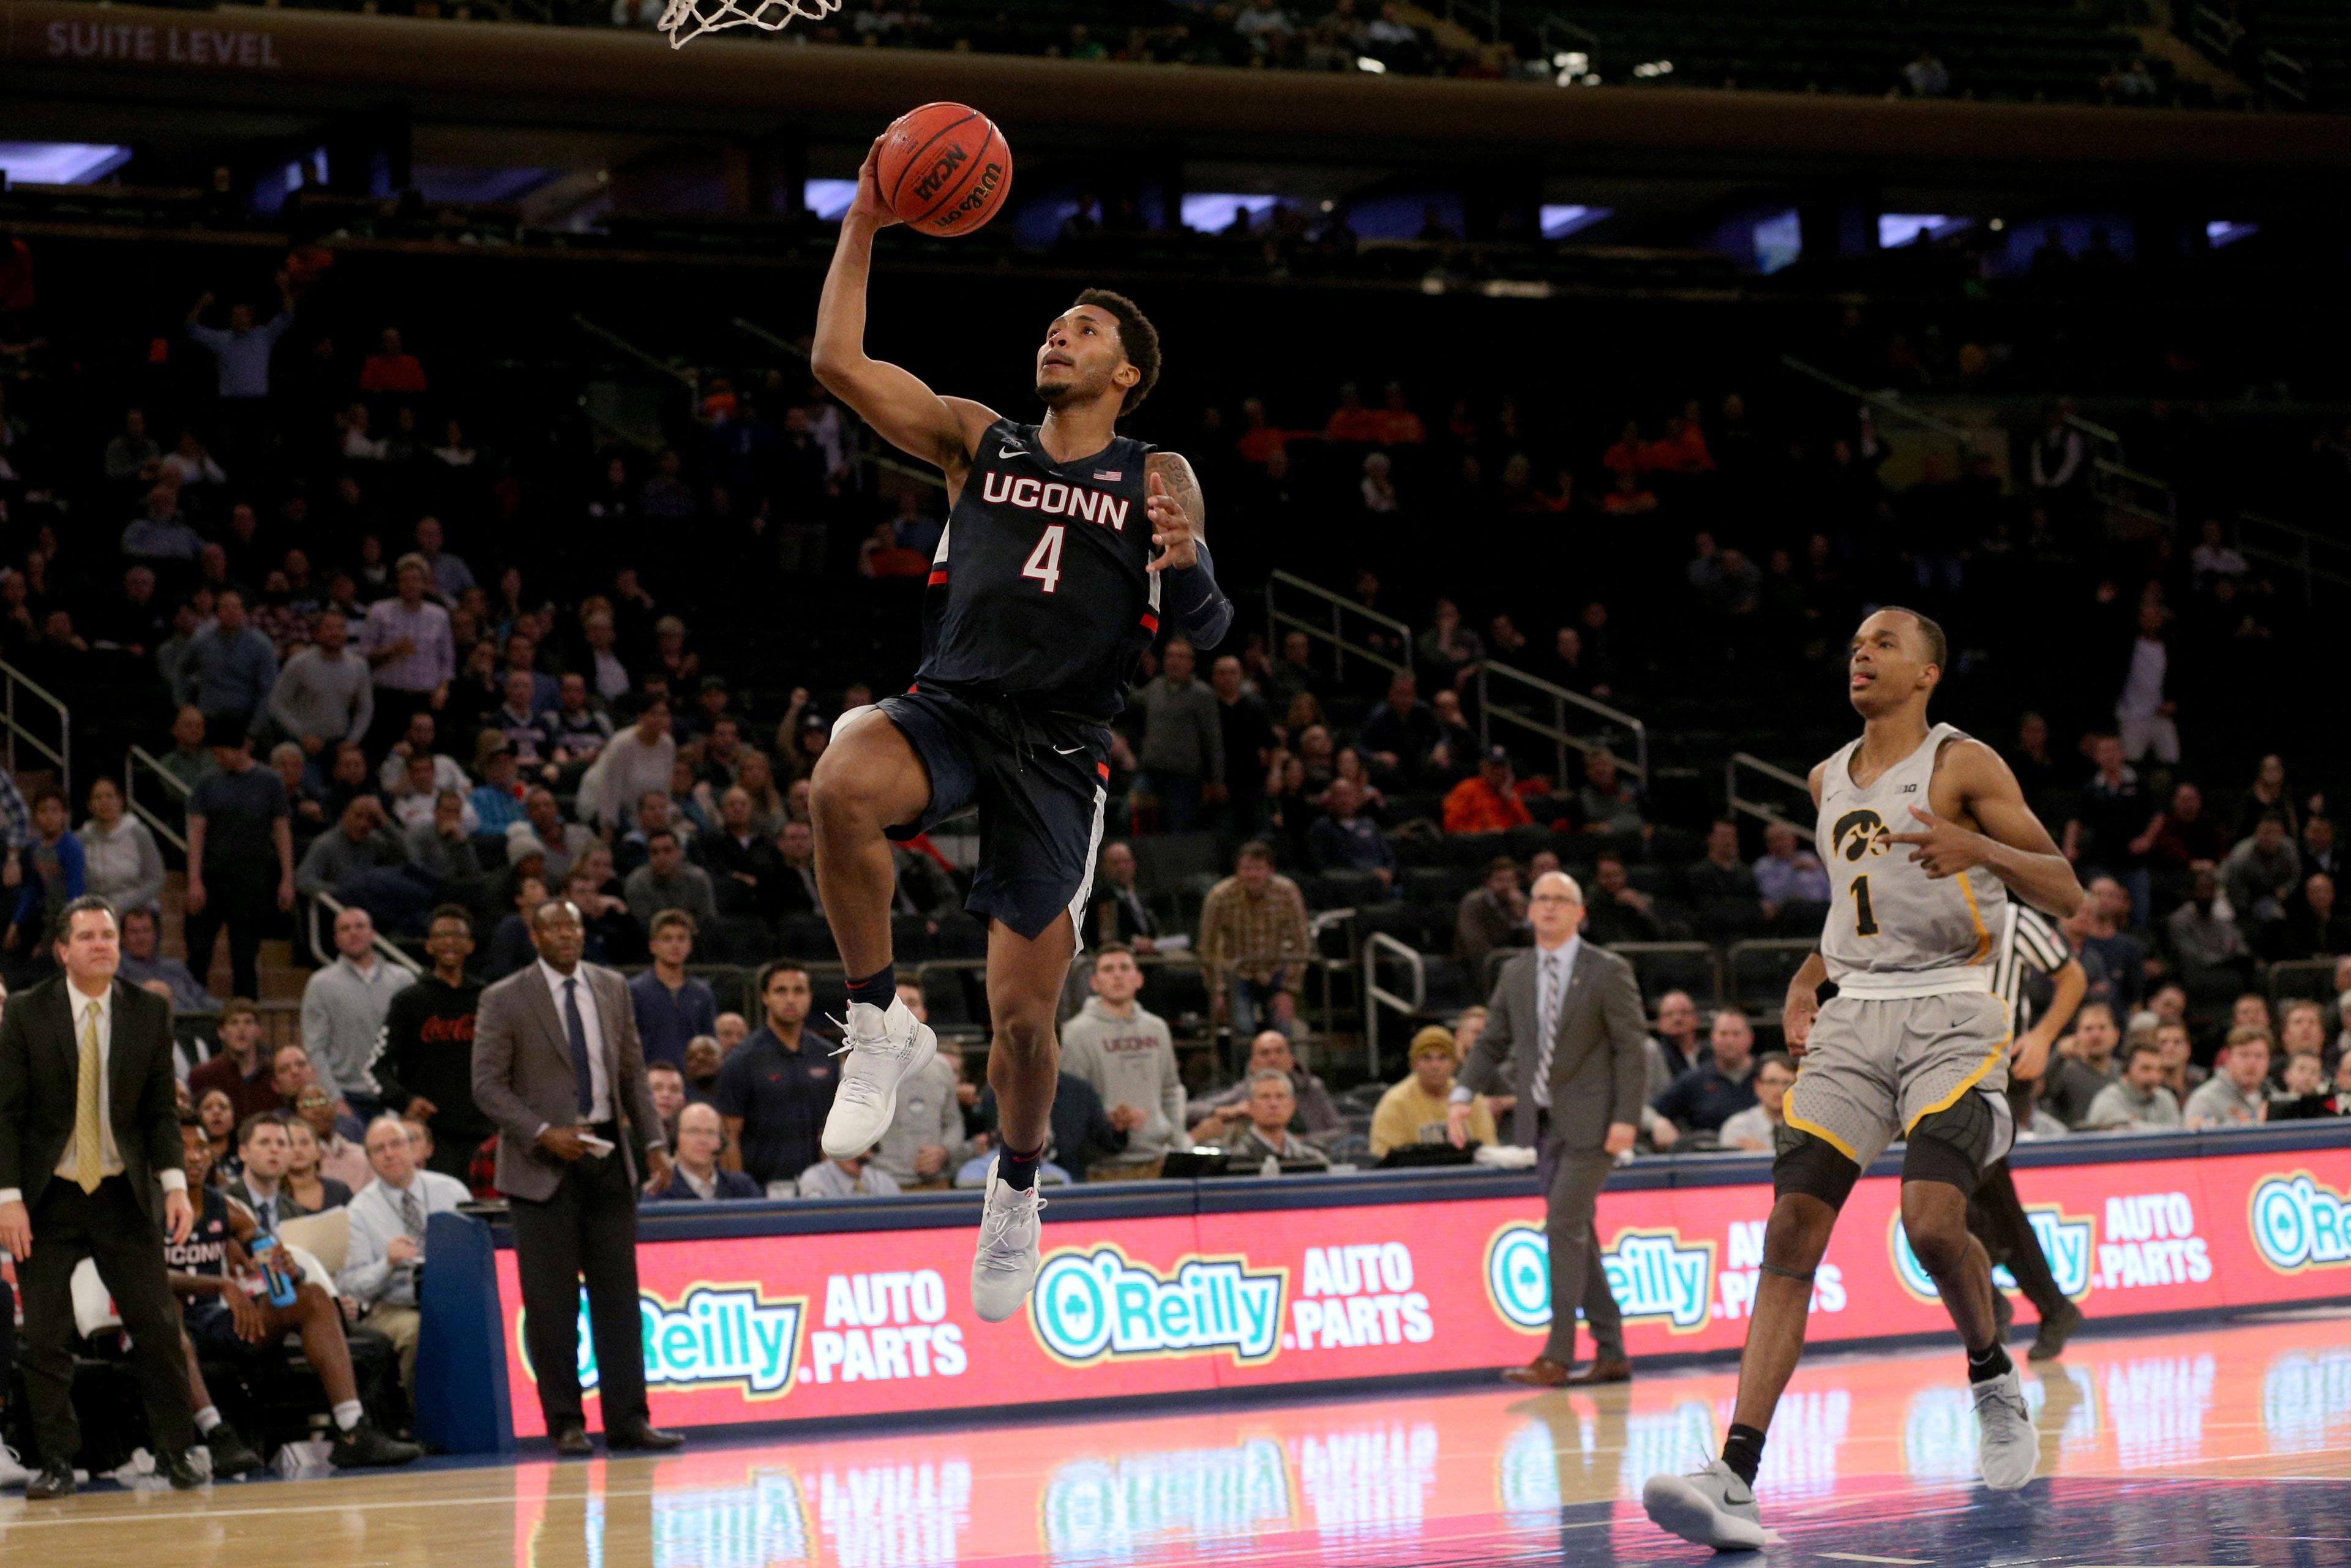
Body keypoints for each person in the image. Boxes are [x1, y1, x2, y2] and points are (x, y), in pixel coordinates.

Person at [810, 151, 1232, 1326]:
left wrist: (1186, 562)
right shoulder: (974, 439)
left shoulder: (1157, 471)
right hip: (952, 702)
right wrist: (863, 219)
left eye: (1085, 330)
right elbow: (836, 363)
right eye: (1055, 324)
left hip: (1057, 748)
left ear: (1125, 372)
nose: (1059, 337)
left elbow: (1206, 623)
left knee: (1025, 1030)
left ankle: (1017, 1181)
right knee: (840, 780)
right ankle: (879, 1020)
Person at [1643, 608, 2082, 1548]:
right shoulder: (1825, 777)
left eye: (1883, 644)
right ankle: (1735, 1473)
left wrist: (1983, 851)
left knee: (1930, 1223)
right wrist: (1811, 972)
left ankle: (1991, 1371)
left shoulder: (1965, 764)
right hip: (1855, 1015)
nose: (1863, 655)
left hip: (1952, 1009)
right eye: (1854, 645)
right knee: (1792, 1224)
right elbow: (1856, 914)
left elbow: (2067, 890)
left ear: (1927, 673)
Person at [0, 896, 204, 1498]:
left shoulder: (147, 1010)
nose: (101, 945)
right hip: (46, 1197)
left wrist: (175, 1185)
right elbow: (6, 1114)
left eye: (109, 935)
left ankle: (175, 1451)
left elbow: (161, 1111)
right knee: (44, 1336)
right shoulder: (27, 1013)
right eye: (87, 935)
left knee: (159, 1329)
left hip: (122, 1192)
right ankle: (57, 1461)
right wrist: (8, 1196)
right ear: (63, 949)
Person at [470, 899, 680, 1456]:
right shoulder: (504, 997)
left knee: (620, 1299)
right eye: (556, 927)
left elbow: (633, 1072)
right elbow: (488, 1087)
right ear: (535, 936)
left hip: (608, 1154)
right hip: (541, 1166)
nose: (568, 935)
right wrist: (542, 1131)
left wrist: (655, 1142)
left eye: (575, 926)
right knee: (552, 1305)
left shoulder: (612, 986)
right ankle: (565, 1421)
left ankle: (629, 1420)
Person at [1451, 870, 1644, 1389]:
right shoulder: (1515, 972)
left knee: (1562, 1225)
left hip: (1596, 1124)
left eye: (1561, 899)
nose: (1550, 907)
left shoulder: (1607, 970)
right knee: (1578, 1235)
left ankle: (1557, 1354)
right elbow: (1491, 1041)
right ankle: (1612, 1351)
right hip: (1541, 1123)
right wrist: (1461, 1095)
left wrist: (1627, 1117)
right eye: (1541, 899)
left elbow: (1631, 1048)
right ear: (1529, 910)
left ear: (1580, 912)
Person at [165, 1111, 420, 1474]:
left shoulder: (229, 1209)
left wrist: (286, 1268)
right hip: (162, 1330)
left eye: (202, 1147)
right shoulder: (146, 1206)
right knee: (163, 1310)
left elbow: (268, 1257)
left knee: (312, 1296)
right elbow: (146, 1276)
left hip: (218, 1320)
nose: (194, 1156)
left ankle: (352, 1430)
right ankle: (216, 1435)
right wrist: (220, 1284)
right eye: (183, 1147)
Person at [1966, 899, 2087, 1362]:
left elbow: (2072, 976)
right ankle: (2053, 1306)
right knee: (1994, 1202)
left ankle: (1989, 1289)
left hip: (2000, 1074)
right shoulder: (1927, 912)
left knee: (1951, 1190)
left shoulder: (2013, 919)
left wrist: (2042, 1036)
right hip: (1943, 1077)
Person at [336, 1113, 472, 1390]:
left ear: (412, 1148)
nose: (389, 1154)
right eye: (378, 1150)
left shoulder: (452, 1191)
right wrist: (386, 1263)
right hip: (393, 1307)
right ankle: (420, 1419)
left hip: (454, 1296)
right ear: (370, 1160)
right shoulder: (358, 1212)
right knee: (418, 1331)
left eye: (396, 1144)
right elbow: (350, 1286)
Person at [370, 906, 487, 1181]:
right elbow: (375, 1067)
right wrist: (405, 1101)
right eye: (442, 935)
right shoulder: (408, 1001)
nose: (449, 942)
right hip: (430, 1139)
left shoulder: (488, 999)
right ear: (429, 946)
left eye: (457, 936)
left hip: (484, 1134)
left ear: (470, 946)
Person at [184, 718, 296, 1001]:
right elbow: (196, 832)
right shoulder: (207, 782)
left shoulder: (270, 781)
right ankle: (192, 1010)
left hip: (251, 879)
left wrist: (287, 878)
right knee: (199, 949)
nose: (218, 758)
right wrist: (195, 880)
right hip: (212, 875)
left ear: (240, 748)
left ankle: (247, 1015)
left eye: (223, 752)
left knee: (245, 954)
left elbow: (281, 830)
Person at [1057, 944, 1186, 1179]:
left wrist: (1177, 1137)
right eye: (1108, 969)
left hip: (1157, 1159)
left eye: (1125, 968)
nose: (1117, 975)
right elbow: (1073, 1103)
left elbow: (1171, 1089)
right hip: (1103, 1164)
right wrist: (1111, 1118)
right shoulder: (1076, 1034)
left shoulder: (1157, 1029)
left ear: (1139, 979)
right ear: (1094, 983)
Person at [715, 960, 837, 1191]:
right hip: (761, 1188)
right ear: (765, 997)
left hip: (818, 1188)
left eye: (798, 990)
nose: (790, 999)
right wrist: (741, 1196)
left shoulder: (826, 1055)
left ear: (810, 997)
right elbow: (729, 1136)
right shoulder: (742, 1059)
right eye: (781, 991)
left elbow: (830, 1129)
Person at [301, 904, 414, 1116]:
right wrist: (334, 1099)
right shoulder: (320, 984)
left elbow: (414, 1044)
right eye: (345, 928)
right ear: (336, 939)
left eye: (360, 926)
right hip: (346, 1098)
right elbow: (315, 1049)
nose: (353, 932)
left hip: (395, 1095)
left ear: (373, 934)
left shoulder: (403, 980)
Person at [1198, 842, 1311, 1043]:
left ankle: (1284, 1074)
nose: (1253, 875)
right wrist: (1217, 990)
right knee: (1243, 1029)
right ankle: (1246, 1072)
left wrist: (1289, 991)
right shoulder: (1220, 896)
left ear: (1271, 871)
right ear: (1237, 871)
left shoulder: (1288, 892)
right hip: (1237, 972)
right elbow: (1207, 947)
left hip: (1275, 970)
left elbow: (1302, 944)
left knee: (1283, 1029)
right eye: (1247, 869)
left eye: (1259, 869)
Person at [869, 981, 967, 1189]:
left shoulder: (942, 1066)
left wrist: (944, 1151)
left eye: (912, 1003)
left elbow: (954, 1123)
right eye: (898, 1004)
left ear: (924, 1013)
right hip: (881, 1187)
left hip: (935, 1185)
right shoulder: (861, 1068)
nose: (905, 1011)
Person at [1370, 1025, 1495, 1157]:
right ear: (1414, 1063)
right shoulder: (1395, 1103)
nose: (1435, 1066)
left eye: (1443, 1058)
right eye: (1427, 1058)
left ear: (1454, 1063)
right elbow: (1384, 1159)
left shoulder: (1471, 1099)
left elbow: (1490, 1151)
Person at [627, 909, 718, 1070]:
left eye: (681, 938)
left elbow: (709, 1045)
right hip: (649, 1084)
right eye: (667, 939)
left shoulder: (703, 994)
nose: (675, 945)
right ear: (653, 946)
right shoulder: (634, 991)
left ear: (690, 946)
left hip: (692, 1088)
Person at [1651, 1010, 1762, 1136]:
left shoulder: (1768, 1075)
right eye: (1723, 1034)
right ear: (1712, 1037)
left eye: (1736, 1034)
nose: (1729, 1040)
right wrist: (1657, 1122)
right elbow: (1648, 1111)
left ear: (1751, 1038)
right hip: (1708, 1151)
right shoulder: (1694, 1080)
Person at [77, 776, 165, 917]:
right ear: (90, 805)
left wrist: (123, 907)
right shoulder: (82, 838)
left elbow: (156, 879)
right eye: (98, 798)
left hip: (137, 909)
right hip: (98, 910)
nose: (104, 802)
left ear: (120, 801)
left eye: (110, 796)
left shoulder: (139, 833)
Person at [1212, 1069, 1329, 1171]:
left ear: (1292, 1106)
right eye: (1265, 1097)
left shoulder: (1313, 1160)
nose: (1273, 1104)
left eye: (1280, 1096)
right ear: (1251, 1107)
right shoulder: (1234, 1161)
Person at [647, 1101, 762, 1201]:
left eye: (710, 1133)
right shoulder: (659, 1192)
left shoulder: (743, 1188)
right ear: (677, 1138)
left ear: (720, 1142)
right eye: (693, 1131)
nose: (703, 1140)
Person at [187, 996, 277, 1122]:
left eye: (248, 1022)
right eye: (234, 1023)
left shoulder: (274, 1073)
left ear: (258, 1031)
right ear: (221, 1032)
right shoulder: (204, 1076)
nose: (241, 1029)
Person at [2041, 1000, 2123, 1128]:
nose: (2096, 1035)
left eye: (2102, 1028)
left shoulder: (2123, 1072)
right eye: (2088, 1029)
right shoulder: (2065, 1070)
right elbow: (2039, 1092)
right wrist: (2057, 1056)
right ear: (2077, 1036)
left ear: (2116, 1035)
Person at [623, 828, 718, 932]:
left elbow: (708, 923)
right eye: (655, 852)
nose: (661, 857)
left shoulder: (699, 879)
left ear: (680, 853)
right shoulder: (637, 883)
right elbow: (642, 928)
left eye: (667, 850)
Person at [2082, 1039, 2181, 1131]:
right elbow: (2126, 1135)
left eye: (2159, 1070)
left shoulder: (2165, 1098)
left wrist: (2135, 1124)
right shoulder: (2108, 1100)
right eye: (2146, 1069)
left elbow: (2176, 1136)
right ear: (2126, 1072)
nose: (2155, 1077)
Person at [2184, 1027, 2271, 1128]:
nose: (2252, 1063)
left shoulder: (2274, 1096)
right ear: (2228, 1059)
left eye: (2259, 1056)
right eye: (2244, 1055)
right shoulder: (2206, 1099)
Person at [1455, 856, 1528, 975]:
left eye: (1510, 880)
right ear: (1488, 883)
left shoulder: (1522, 902)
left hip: (1514, 962)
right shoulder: (1474, 903)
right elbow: (1476, 945)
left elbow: (1533, 942)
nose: (1506, 886)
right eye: (1500, 880)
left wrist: (1521, 917)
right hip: (1475, 966)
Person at [1442, 747, 1533, 835]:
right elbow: (1451, 827)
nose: (1498, 771)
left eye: (1503, 766)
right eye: (1494, 766)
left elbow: (1528, 827)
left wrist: (1511, 799)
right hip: (1480, 842)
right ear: (1483, 767)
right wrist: (1483, 833)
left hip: (1508, 843)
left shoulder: (1510, 793)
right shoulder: (1467, 789)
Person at [1718, 1052, 1798, 1152]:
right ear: (1758, 1087)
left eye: (1787, 1083)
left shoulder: (1808, 1128)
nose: (1779, 1090)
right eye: (1772, 1082)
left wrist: (1763, 1154)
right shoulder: (1737, 1128)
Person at [798, 1144, 905, 1198]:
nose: (861, 1154)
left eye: (864, 1144)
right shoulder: (814, 1180)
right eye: (852, 1144)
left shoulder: (882, 1181)